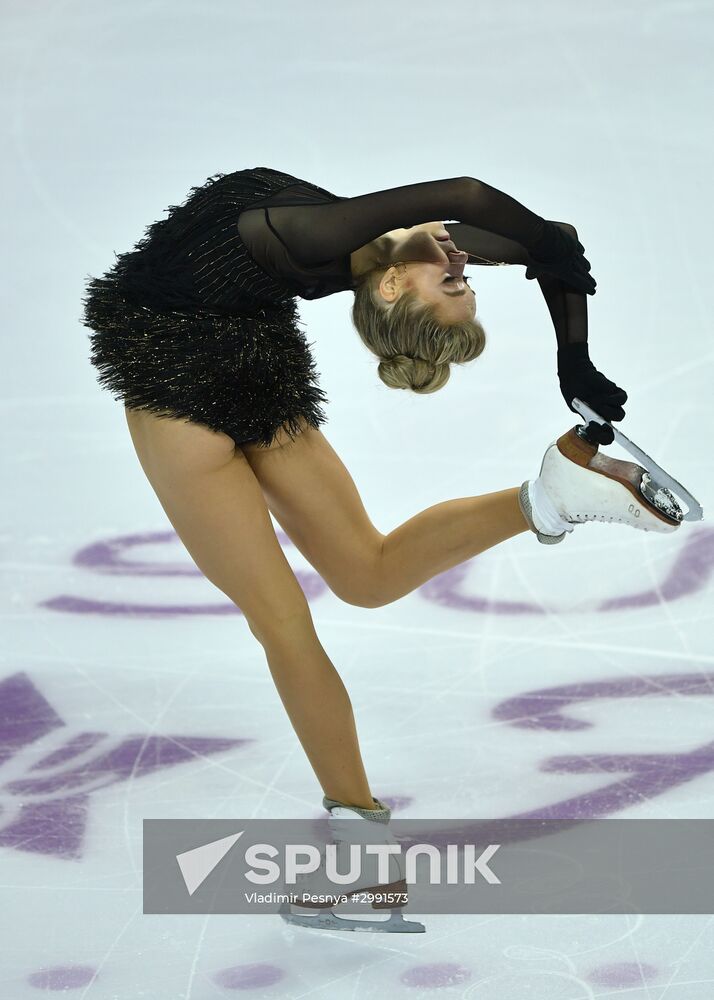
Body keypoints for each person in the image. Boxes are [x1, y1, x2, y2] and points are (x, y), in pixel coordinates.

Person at [80, 167, 682, 931]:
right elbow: (538, 235)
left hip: (191, 394)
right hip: (242, 366)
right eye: (465, 282)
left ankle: (364, 861)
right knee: (361, 578)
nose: (463, 267)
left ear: (394, 285)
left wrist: (565, 326)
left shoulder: (329, 236)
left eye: (452, 284)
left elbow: (486, 208)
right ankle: (552, 496)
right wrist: (565, 327)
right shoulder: (375, 245)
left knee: (289, 620)